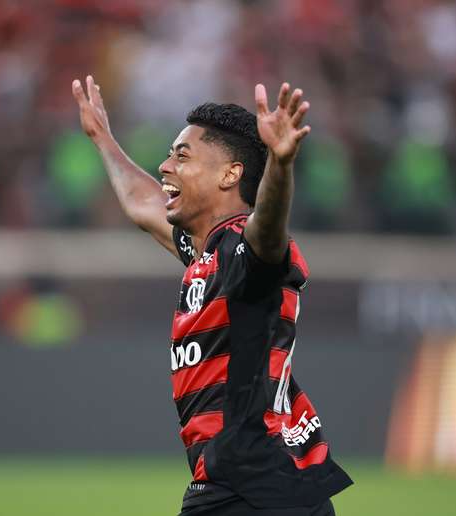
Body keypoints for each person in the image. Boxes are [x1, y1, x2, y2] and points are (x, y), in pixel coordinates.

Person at [72, 75, 352, 515]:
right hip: (275, 485)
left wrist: (280, 166)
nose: (165, 167)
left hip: (247, 488)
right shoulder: (207, 250)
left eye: (182, 156)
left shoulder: (246, 251)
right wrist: (103, 139)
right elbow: (144, 204)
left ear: (230, 174)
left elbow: (268, 230)